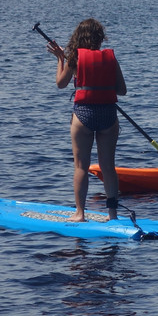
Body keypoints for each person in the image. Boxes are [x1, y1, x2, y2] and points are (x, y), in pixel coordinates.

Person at [46, 18, 127, 222]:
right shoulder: (110, 57)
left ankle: (80, 214)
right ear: (100, 38)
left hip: (83, 115)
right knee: (108, 166)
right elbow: (122, 90)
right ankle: (113, 214)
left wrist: (60, 59)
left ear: (78, 37)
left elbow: (60, 83)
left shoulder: (74, 57)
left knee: (81, 166)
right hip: (108, 115)